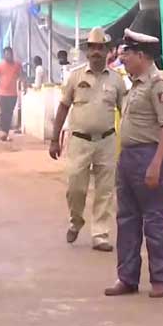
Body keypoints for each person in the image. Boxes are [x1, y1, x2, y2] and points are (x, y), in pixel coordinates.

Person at [105, 28, 163, 299]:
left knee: (154, 220)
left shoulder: (157, 84)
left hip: (148, 155)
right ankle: (127, 277)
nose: (124, 59)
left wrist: (156, 164)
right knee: (127, 219)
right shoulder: (135, 83)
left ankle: (161, 280)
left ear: (142, 55)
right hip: (129, 156)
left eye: (128, 54)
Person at [49, 27, 127, 252]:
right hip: (79, 141)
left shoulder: (117, 80)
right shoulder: (75, 76)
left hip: (107, 141)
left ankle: (100, 234)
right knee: (76, 188)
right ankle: (76, 220)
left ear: (107, 51)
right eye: (92, 48)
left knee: (105, 190)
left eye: (100, 48)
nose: (96, 52)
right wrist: (55, 139)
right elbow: (63, 107)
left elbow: (126, 110)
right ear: (86, 51)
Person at [0, 47, 22, 141]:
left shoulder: (17, 65)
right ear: (4, 55)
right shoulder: (0, 66)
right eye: (6, 54)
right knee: (4, 113)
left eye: (9, 54)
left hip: (13, 94)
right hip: (2, 93)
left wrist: (24, 84)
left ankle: (6, 132)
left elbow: (22, 75)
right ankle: (4, 132)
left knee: (9, 113)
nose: (8, 56)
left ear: (12, 54)